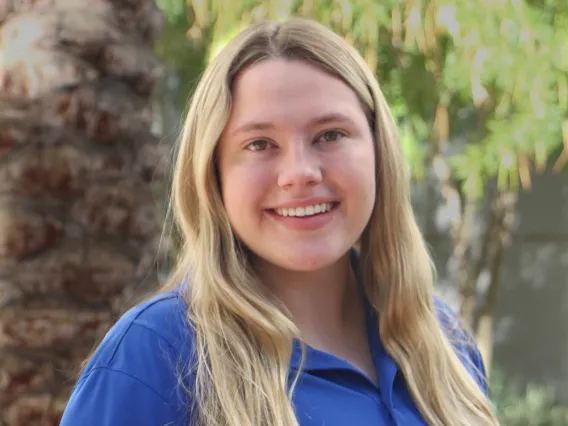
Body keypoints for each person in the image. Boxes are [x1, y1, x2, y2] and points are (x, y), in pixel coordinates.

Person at [60, 18, 500, 426]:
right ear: (213, 174)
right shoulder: (155, 355)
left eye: (330, 135)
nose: (299, 173)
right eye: (259, 144)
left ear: (379, 153)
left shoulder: (442, 342)